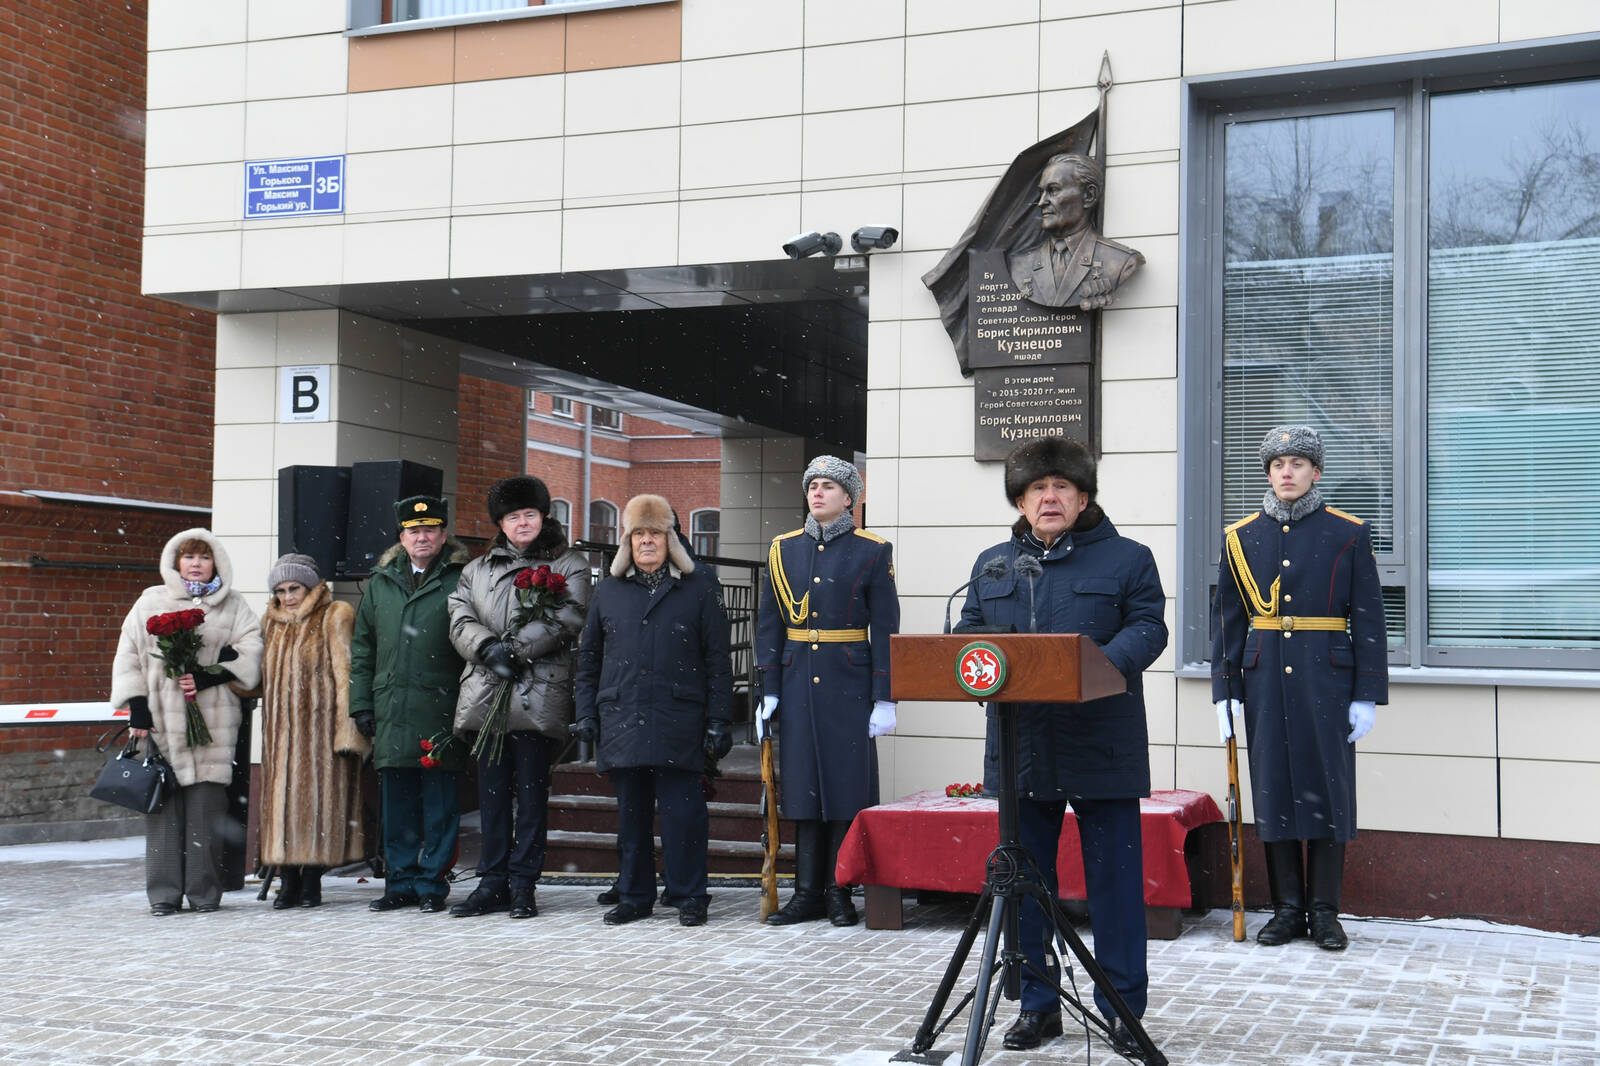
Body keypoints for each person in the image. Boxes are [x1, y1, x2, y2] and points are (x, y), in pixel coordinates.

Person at [956, 437, 1167, 1052]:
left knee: (1115, 885)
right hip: (1024, 745)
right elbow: (969, 633)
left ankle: (1122, 1009)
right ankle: (1039, 1006)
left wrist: (1093, 668)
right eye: (1036, 490)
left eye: (1061, 488)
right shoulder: (993, 564)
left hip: (1101, 740)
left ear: (1082, 498)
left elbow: (1148, 627)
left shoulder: (1128, 558)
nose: (1049, 498)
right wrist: (968, 661)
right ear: (1020, 502)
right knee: (1027, 883)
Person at [1211, 425, 1388, 951]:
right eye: (1276, 464)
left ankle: (1325, 911)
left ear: (1317, 471)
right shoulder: (1241, 537)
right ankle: (1287, 909)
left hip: (1327, 678)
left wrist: (1366, 693)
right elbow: (1228, 621)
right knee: (1274, 786)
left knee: (1329, 789)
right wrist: (1226, 691)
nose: (1285, 472)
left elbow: (1369, 617)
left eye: (1296, 463)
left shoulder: (1347, 533)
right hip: (1265, 678)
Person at [573, 494, 733, 928]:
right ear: (628, 540)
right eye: (639, 533)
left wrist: (720, 718)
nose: (647, 542)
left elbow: (718, 658)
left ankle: (689, 894)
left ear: (672, 539)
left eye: (656, 534)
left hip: (679, 718)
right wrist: (586, 712)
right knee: (631, 817)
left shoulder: (699, 587)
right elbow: (589, 657)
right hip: (622, 717)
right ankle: (634, 895)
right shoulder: (609, 590)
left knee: (684, 814)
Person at [755, 455, 900, 927]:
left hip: (850, 684)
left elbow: (885, 628)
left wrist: (886, 696)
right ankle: (806, 894)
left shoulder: (872, 550)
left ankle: (839, 892)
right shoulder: (782, 549)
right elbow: (769, 625)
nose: (817, 492)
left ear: (849, 498)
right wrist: (769, 689)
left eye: (828, 486)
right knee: (802, 789)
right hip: (798, 684)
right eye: (812, 485)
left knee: (843, 789)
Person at [446, 476, 590, 920]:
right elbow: (458, 613)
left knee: (530, 796)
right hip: (488, 693)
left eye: (529, 514)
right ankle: (492, 881)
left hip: (537, 692)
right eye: (513, 516)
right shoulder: (477, 568)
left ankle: (523, 882)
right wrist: (487, 649)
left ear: (544, 516)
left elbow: (569, 614)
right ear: (501, 523)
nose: (522, 522)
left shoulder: (569, 564)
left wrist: (514, 650)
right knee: (490, 796)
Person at [110, 528, 264, 916]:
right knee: (162, 810)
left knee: (207, 810)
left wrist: (213, 673)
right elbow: (128, 654)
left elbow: (253, 648)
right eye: (188, 556)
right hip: (160, 722)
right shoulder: (150, 601)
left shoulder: (233, 605)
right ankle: (163, 894)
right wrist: (138, 708)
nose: (196, 564)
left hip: (212, 722)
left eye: (204, 557)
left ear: (216, 563)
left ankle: (204, 893)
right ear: (175, 562)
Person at [349, 494, 469, 913]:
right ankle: (398, 882)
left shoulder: (460, 579)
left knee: (438, 805)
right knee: (397, 805)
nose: (422, 536)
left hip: (440, 708)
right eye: (414, 530)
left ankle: (432, 884)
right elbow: (362, 648)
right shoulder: (381, 582)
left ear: (443, 535)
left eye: (430, 529)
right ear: (402, 537)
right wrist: (361, 704)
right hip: (391, 710)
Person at [256, 553, 368, 909]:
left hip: (321, 736)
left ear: (311, 586)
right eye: (281, 590)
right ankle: (287, 880)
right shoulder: (270, 623)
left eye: (295, 588)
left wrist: (347, 732)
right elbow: (258, 679)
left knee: (320, 808)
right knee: (282, 809)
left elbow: (345, 675)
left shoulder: (335, 616)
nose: (288, 596)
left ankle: (311, 882)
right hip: (278, 738)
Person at [1005, 153, 1144, 310]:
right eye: (1041, 192)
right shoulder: (1018, 265)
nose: (1042, 202)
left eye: (1053, 190)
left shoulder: (1121, 262)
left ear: (1089, 196)